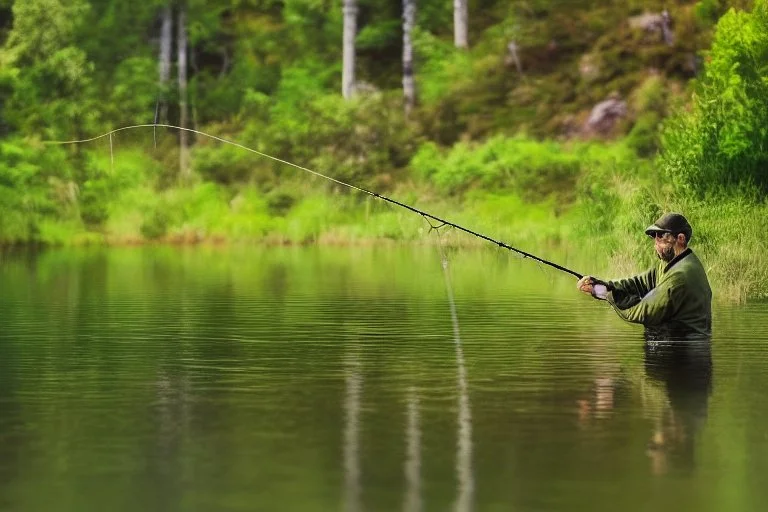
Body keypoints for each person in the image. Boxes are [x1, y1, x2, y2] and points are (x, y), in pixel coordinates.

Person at [577, 213, 712, 340]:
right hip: (671, 354)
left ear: (681, 239)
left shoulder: (681, 276)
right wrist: (600, 284)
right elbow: (639, 283)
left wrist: (603, 292)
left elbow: (641, 311)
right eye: (654, 236)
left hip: (684, 357)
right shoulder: (670, 263)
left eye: (662, 236)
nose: (656, 242)